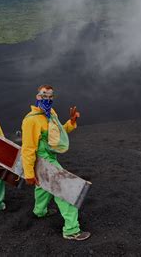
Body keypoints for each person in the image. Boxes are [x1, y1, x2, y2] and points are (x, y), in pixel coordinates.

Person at [21, 85, 91, 241]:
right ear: (38, 97)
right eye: (44, 96)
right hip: (43, 160)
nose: (47, 99)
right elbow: (28, 148)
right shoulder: (31, 121)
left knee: (43, 186)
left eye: (50, 96)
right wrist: (29, 173)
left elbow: (57, 135)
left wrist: (71, 122)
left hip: (51, 158)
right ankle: (71, 230)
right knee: (64, 190)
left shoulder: (50, 114)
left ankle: (39, 212)